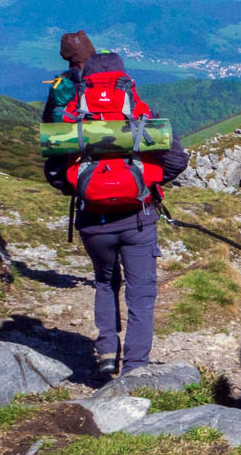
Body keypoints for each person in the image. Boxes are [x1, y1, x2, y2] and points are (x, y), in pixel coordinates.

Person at [42, 31, 188, 377]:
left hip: (94, 221)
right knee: (141, 294)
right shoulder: (140, 113)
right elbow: (177, 159)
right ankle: (135, 369)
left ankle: (107, 350)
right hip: (139, 218)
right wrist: (147, 184)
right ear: (125, 80)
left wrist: (83, 188)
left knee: (105, 282)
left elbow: (54, 170)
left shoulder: (72, 116)